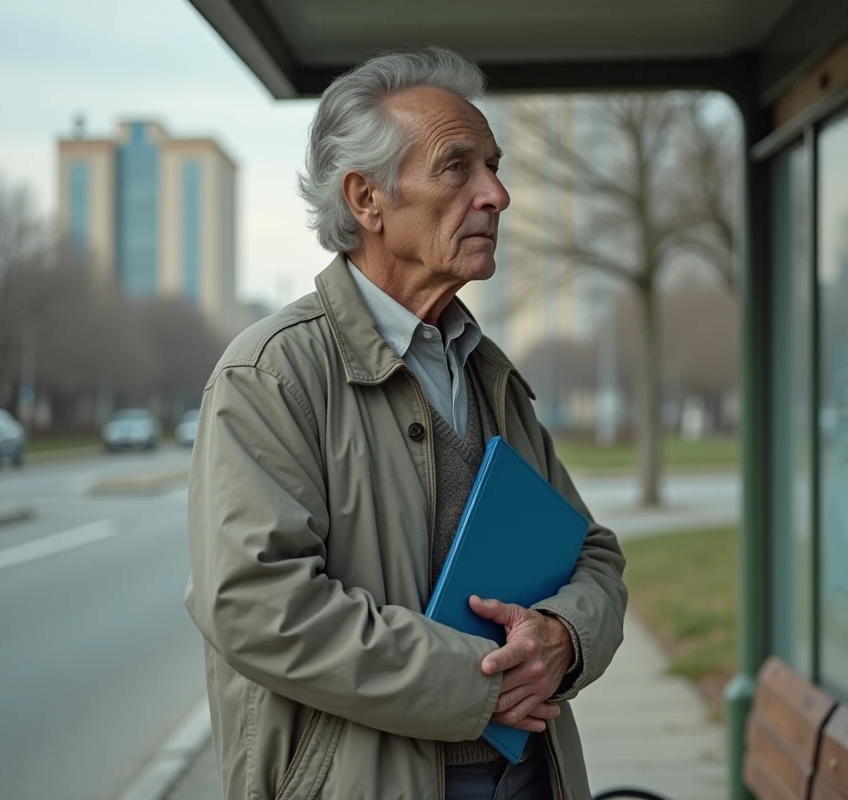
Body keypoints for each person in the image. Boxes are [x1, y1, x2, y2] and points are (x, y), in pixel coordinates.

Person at [184, 46, 628, 800]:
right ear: (367, 200)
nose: (497, 194)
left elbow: (592, 555)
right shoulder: (271, 374)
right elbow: (257, 604)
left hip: (528, 775)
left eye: (494, 165)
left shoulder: (489, 371)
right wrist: (482, 683)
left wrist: (562, 637)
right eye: (458, 167)